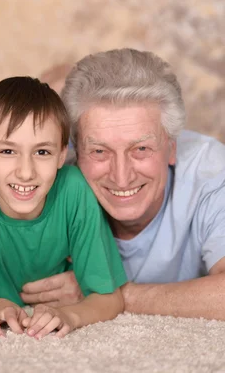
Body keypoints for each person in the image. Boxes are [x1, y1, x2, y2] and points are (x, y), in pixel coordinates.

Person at [20, 48, 225, 320]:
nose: (121, 176)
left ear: (172, 148)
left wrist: (107, 294)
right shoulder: (45, 174)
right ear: (74, 152)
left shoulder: (211, 172)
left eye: (141, 149)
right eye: (99, 151)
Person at [0, 76, 126, 339]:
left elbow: (109, 298)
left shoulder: (74, 190)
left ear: (62, 154)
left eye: (42, 152)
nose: (26, 172)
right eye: (7, 151)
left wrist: (70, 315)